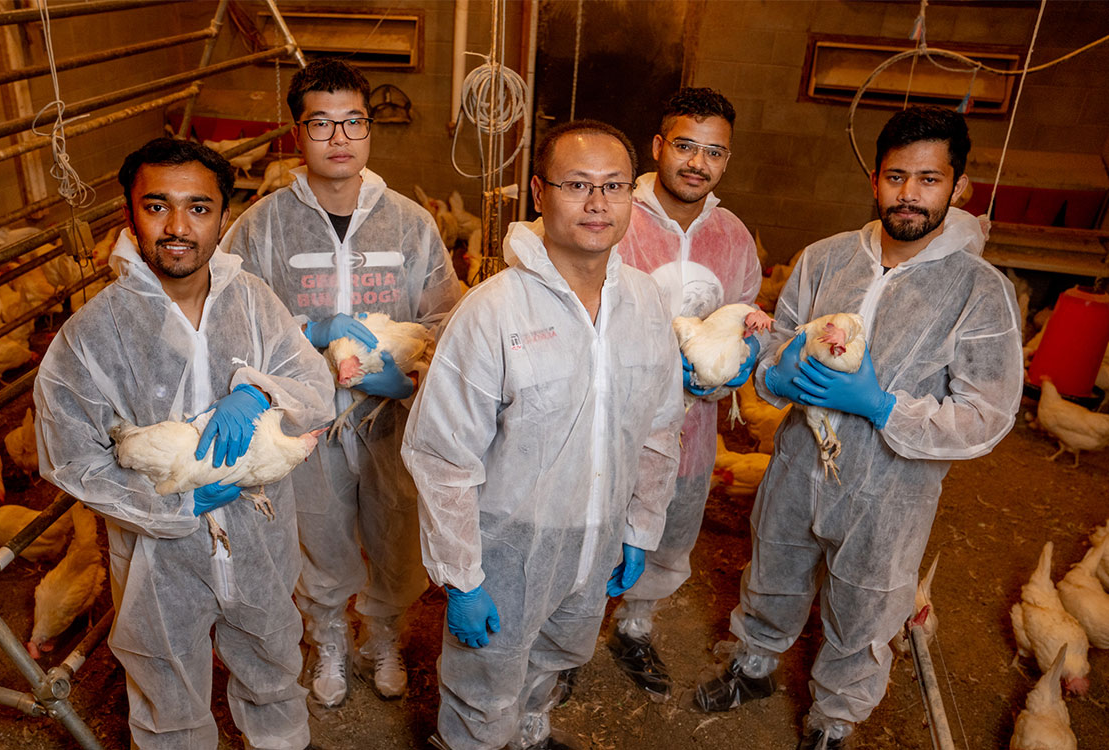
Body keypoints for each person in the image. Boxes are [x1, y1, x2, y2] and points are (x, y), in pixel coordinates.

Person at [694, 106, 1022, 749]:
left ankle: (833, 720)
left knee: (868, 602)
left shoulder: (979, 291)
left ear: (959, 188)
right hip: (796, 462)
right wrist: (774, 377)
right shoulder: (824, 259)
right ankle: (755, 663)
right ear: (875, 180)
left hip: (889, 488)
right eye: (896, 176)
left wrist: (882, 406)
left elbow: (987, 415)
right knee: (774, 567)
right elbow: (777, 345)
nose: (909, 194)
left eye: (929, 180)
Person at [35, 138, 334, 750]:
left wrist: (257, 390)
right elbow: (71, 458)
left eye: (199, 208)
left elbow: (315, 385)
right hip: (157, 560)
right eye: (157, 206)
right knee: (167, 698)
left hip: (261, 539)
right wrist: (170, 508)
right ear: (129, 213)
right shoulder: (91, 334)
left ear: (223, 216)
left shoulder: (253, 302)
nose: (177, 227)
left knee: (275, 672)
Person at [401, 120, 685, 750]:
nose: (597, 203)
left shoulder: (643, 303)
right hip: (508, 547)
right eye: (576, 185)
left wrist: (638, 527)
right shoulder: (494, 310)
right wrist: (462, 576)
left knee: (555, 658)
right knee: (485, 684)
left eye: (613, 186)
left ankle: (529, 734)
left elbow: (661, 427)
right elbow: (442, 455)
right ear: (538, 192)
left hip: (598, 534)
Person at [221, 59, 463, 707]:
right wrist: (303, 345)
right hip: (306, 421)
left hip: (393, 415)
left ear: (369, 128)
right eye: (321, 123)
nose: (339, 137)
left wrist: (408, 375)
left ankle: (381, 635)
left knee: (395, 525)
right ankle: (328, 634)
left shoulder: (411, 222)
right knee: (317, 529)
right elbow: (235, 321)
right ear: (297, 133)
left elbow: (443, 313)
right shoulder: (264, 225)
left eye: (352, 121)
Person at [605, 87, 763, 701]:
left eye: (714, 152)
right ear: (658, 146)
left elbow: (747, 314)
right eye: (685, 146)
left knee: (670, 532)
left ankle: (634, 627)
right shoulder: (615, 212)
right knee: (592, 526)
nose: (697, 163)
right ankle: (562, 646)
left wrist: (740, 362)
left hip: (693, 425)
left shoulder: (734, 236)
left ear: (727, 159)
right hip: (611, 416)